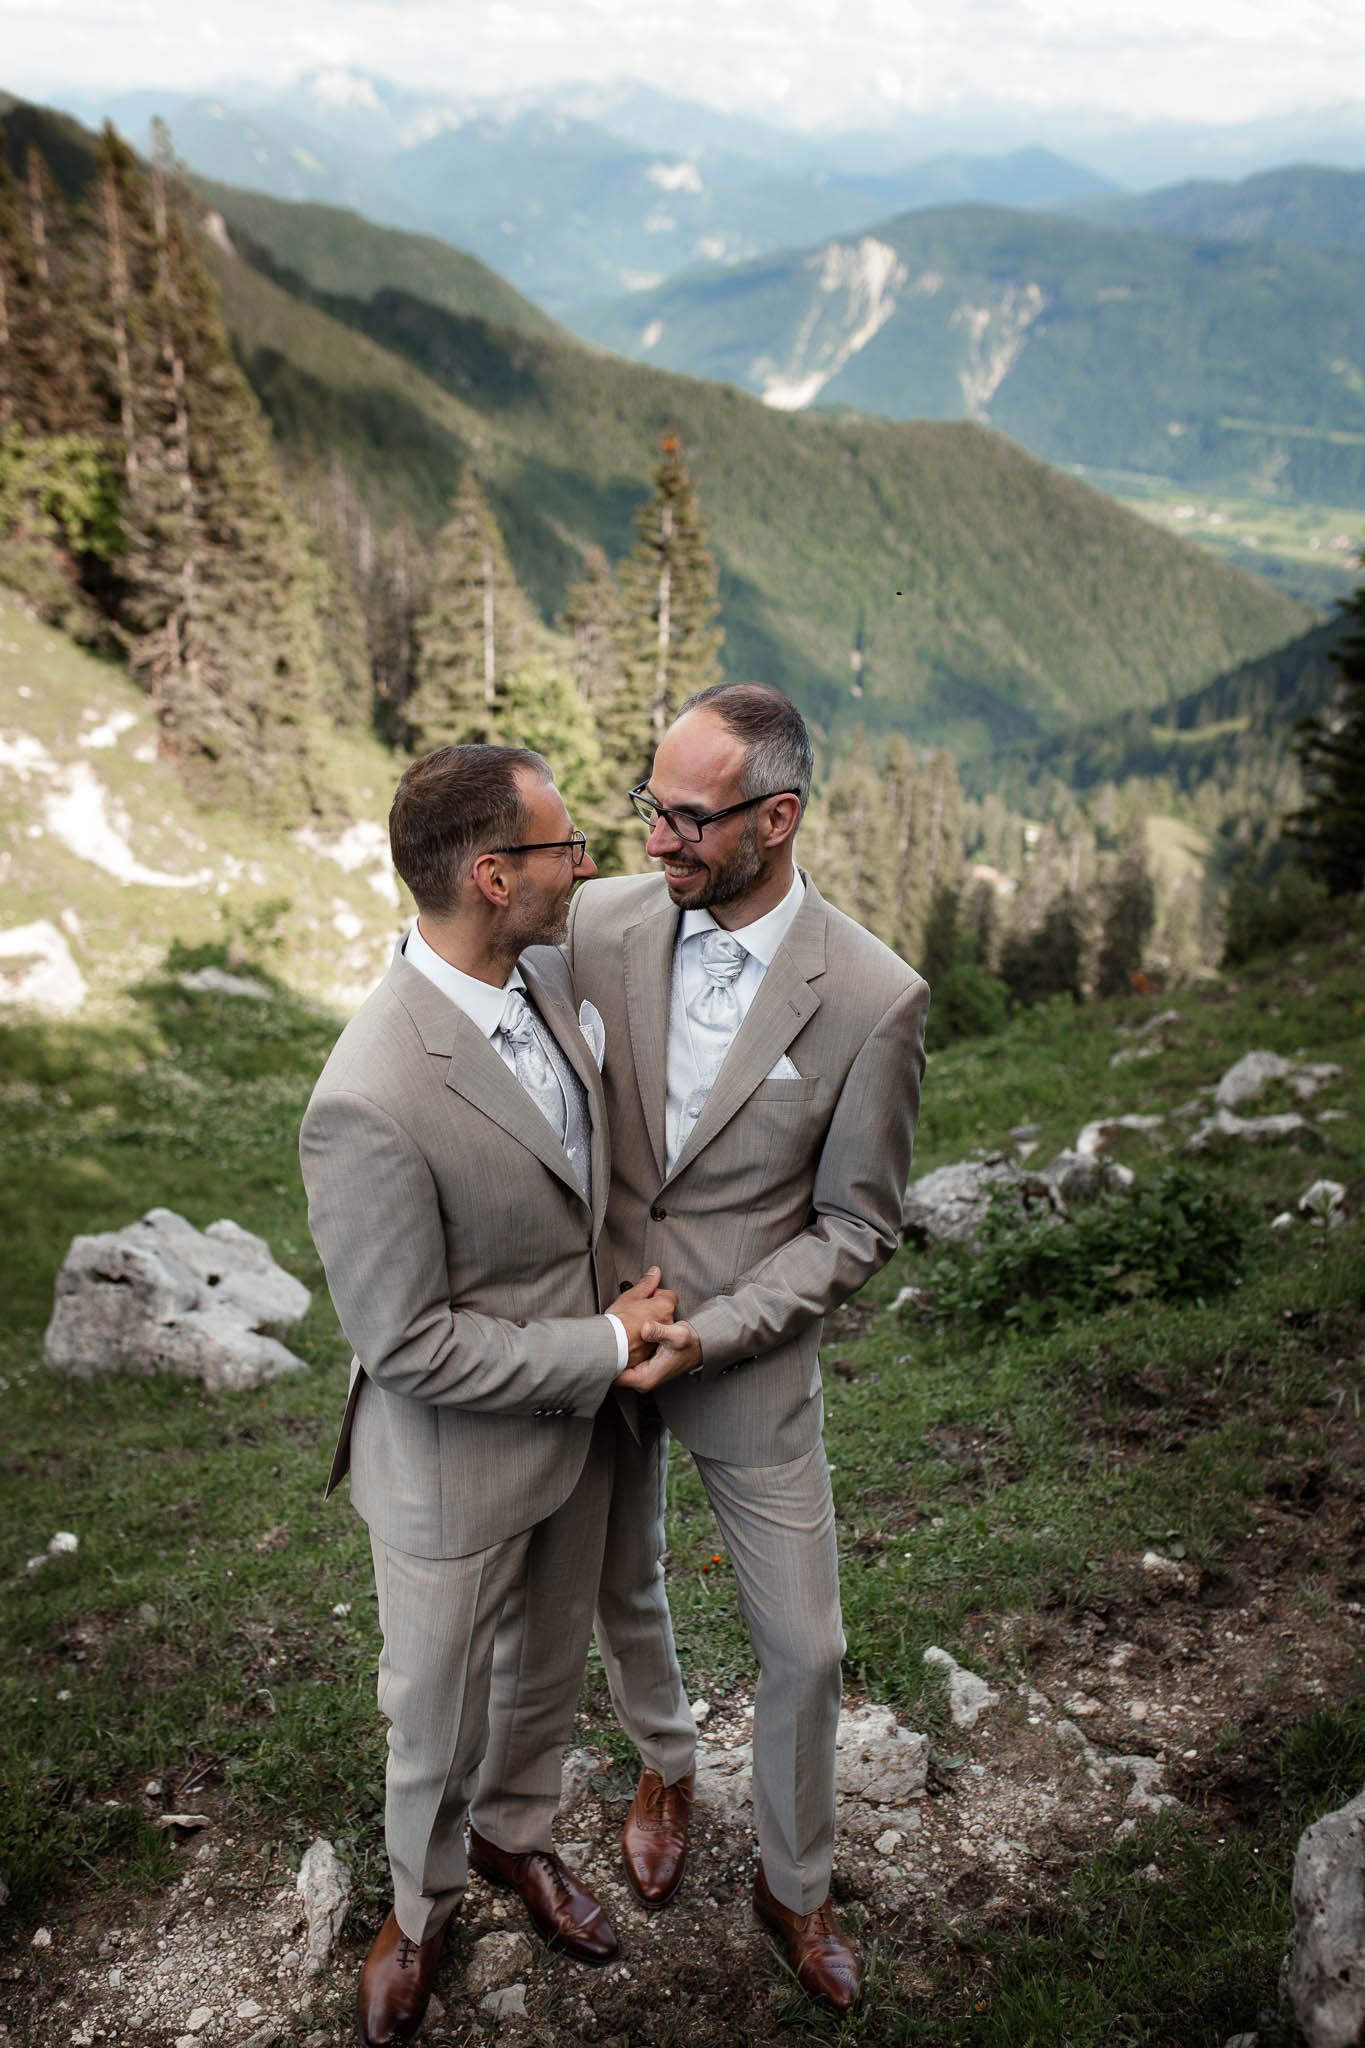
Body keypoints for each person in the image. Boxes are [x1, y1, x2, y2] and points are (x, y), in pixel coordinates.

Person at [299, 744, 676, 2048]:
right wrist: (600, 1347)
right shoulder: (367, 1097)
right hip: (453, 1460)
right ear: (491, 875)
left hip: (574, 1440)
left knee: (544, 1670)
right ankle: (418, 1905)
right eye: (567, 848)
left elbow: (651, 908)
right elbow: (404, 1344)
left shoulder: (548, 966)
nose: (591, 866)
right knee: (433, 1709)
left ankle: (518, 1839)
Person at [566, 684, 928, 2011]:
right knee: (621, 1582)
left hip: (748, 1358)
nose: (653, 838)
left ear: (776, 820)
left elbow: (852, 1226)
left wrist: (714, 1334)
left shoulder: (875, 997)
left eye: (683, 816)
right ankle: (664, 1761)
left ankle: (792, 1882)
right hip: (592, 1334)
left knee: (808, 1647)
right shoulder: (602, 918)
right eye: (645, 804)